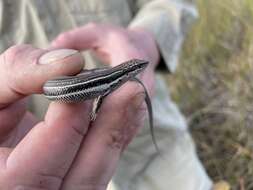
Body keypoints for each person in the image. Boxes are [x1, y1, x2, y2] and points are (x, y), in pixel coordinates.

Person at [0, 0, 213, 189]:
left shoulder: (114, 82)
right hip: (53, 158)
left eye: (138, 67)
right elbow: (100, 97)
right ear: (129, 72)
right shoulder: (111, 81)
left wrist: (146, 38)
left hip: (158, 152)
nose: (141, 68)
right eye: (137, 67)